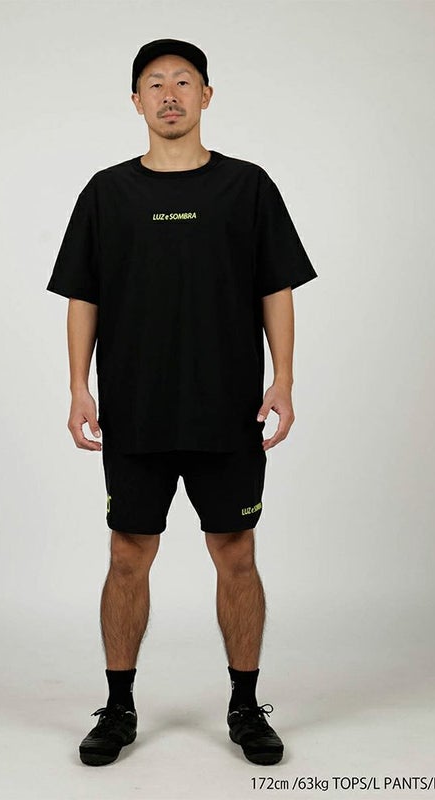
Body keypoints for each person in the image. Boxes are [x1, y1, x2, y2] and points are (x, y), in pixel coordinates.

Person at [46, 38, 318, 766]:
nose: (170, 95)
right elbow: (83, 296)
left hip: (229, 411)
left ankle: (245, 706)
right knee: (127, 553)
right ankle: (119, 707)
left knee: (236, 551)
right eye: (155, 84)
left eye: (184, 82)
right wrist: (78, 387)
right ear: (136, 101)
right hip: (135, 411)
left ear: (206, 95)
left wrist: (284, 379)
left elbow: (276, 288)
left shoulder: (247, 186)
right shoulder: (106, 192)